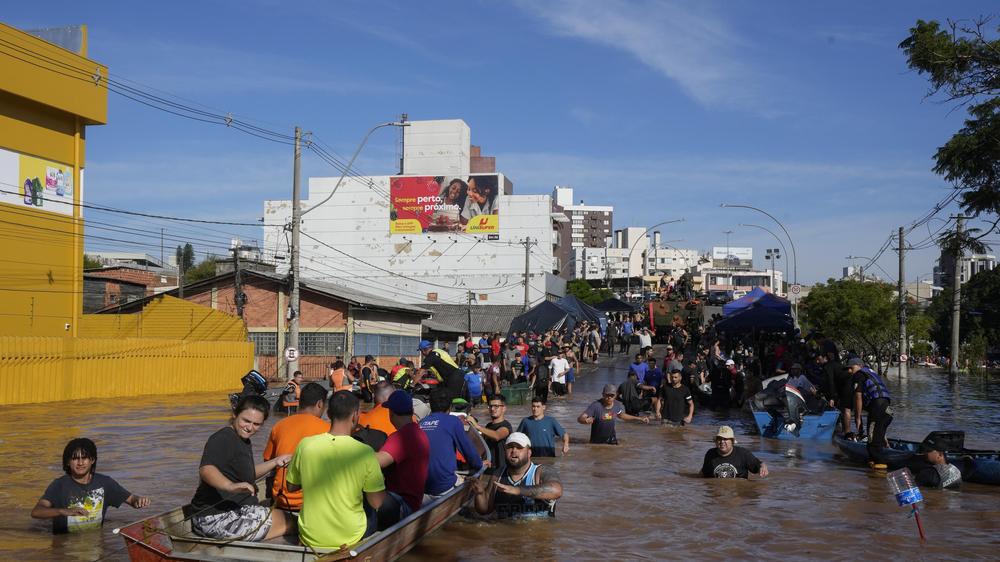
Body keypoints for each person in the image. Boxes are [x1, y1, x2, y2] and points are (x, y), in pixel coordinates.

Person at [286, 391, 385, 548]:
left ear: (328, 413)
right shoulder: (365, 452)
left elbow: (291, 487)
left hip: (310, 536)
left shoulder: (305, 445)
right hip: (350, 537)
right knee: (372, 510)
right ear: (355, 415)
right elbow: (377, 502)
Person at [190, 395, 295, 541]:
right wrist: (231, 486)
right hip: (213, 519)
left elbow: (248, 475)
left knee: (291, 520)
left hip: (236, 511)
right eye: (246, 420)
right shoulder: (223, 438)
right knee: (293, 523)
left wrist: (276, 461)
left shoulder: (243, 440)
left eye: (256, 424)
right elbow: (206, 469)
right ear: (235, 414)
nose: (250, 427)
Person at [31, 438, 151, 534]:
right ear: (68, 462)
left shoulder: (105, 483)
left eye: (85, 458)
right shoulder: (59, 485)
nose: (80, 463)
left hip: (95, 543)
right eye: (75, 458)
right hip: (65, 546)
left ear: (92, 460)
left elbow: (131, 500)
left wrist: (139, 500)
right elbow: (36, 512)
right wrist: (63, 511)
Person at [263, 383, 329, 511]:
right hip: (310, 504)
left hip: (281, 500)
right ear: (320, 404)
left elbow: (268, 460)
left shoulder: (279, 425)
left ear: (300, 401)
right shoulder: (327, 429)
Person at [472, 432, 562, 519]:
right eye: (510, 447)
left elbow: (556, 490)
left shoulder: (540, 471)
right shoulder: (498, 474)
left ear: (529, 453)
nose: (514, 451)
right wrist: (480, 493)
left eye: (519, 448)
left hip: (534, 532)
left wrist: (517, 490)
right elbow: (484, 510)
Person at [375, 391, 430, 526]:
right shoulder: (417, 431)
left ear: (391, 414)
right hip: (413, 502)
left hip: (402, 505)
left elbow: (376, 462)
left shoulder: (401, 437)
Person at [419, 388, 483, 497]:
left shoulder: (421, 422)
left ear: (430, 404)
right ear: (449, 407)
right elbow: (468, 450)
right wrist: (480, 465)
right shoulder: (453, 421)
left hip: (420, 485)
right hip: (444, 486)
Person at [849, 357, 893, 459]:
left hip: (878, 407)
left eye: (851, 368)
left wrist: (858, 417)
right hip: (888, 410)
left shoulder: (858, 374)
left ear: (860, 366)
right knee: (878, 432)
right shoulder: (872, 373)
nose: (850, 371)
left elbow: (858, 397)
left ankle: (876, 472)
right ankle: (887, 447)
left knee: (872, 445)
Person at [578, 383, 650, 445]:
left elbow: (621, 415)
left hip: (611, 440)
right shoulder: (595, 406)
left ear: (615, 396)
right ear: (603, 394)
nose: (609, 397)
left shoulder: (616, 405)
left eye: (612, 395)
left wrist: (639, 418)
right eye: (607, 395)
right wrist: (585, 420)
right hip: (597, 442)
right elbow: (580, 418)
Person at [468, 394, 513, 475]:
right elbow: (482, 445)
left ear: (504, 408)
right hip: (488, 468)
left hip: (502, 471)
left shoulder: (506, 426)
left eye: (496, 406)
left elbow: (497, 436)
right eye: (490, 406)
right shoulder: (488, 426)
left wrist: (477, 426)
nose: (492, 409)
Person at [701, 426, 768, 479]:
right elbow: (703, 475)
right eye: (719, 439)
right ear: (716, 441)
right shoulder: (710, 454)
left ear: (732, 441)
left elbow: (758, 464)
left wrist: (762, 466)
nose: (722, 442)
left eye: (725, 439)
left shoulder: (743, 454)